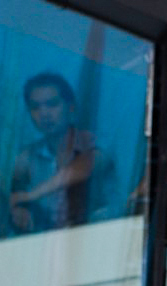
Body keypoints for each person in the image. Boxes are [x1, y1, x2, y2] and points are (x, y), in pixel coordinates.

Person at [9, 72, 109, 233]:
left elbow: (84, 166)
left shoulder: (93, 142)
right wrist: (18, 209)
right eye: (35, 107)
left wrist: (31, 195)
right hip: (47, 241)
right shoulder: (28, 156)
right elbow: (11, 189)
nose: (44, 114)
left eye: (52, 104)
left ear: (71, 107)